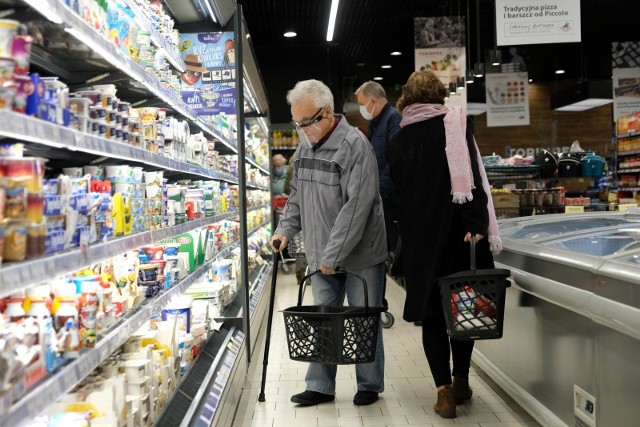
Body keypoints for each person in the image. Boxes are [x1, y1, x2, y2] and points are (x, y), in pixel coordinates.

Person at [389, 70, 502, 419]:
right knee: (463, 310)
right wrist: (477, 226)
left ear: (407, 99)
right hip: (458, 237)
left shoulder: (398, 139)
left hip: (422, 241)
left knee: (433, 316)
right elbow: (472, 182)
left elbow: (396, 193)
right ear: (440, 96)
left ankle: (443, 394)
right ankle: (462, 380)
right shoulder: (455, 125)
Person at [271, 79, 387, 407]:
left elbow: (356, 208)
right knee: (324, 318)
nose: (300, 130)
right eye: (296, 123)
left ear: (325, 113)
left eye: (304, 123)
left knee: (364, 317)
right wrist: (284, 230)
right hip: (321, 250)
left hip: (361, 254)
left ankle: (369, 384)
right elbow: (297, 196)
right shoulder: (306, 144)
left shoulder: (355, 146)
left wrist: (333, 254)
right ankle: (321, 386)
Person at [355, 81, 401, 255]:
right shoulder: (375, 123)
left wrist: (379, 191)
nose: (361, 108)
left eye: (361, 104)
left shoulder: (393, 118)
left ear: (372, 101)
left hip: (391, 198)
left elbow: (395, 160)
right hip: (382, 199)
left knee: (397, 250)